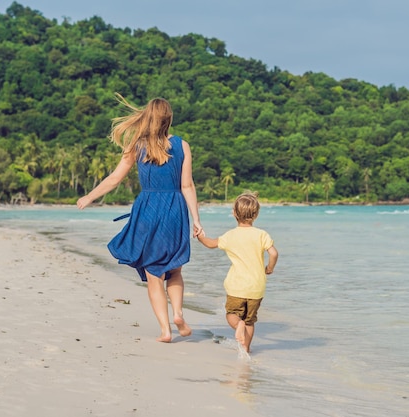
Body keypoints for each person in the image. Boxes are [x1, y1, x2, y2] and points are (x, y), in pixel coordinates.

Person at [77, 94, 203, 343]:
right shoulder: (182, 145)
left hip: (147, 209)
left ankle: (166, 330)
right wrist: (196, 220)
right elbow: (187, 185)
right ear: (169, 119)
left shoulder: (136, 145)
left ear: (147, 117)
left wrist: (89, 197)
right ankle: (178, 314)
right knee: (174, 268)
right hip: (175, 209)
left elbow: (114, 179)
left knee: (154, 274)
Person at [196, 192, 278, 353]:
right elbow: (274, 253)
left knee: (232, 315)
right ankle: (246, 348)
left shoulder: (230, 235)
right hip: (256, 287)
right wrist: (269, 268)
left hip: (237, 287)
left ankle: (237, 326)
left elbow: (211, 243)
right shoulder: (261, 234)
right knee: (250, 320)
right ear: (256, 214)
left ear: (234, 213)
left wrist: (200, 236)